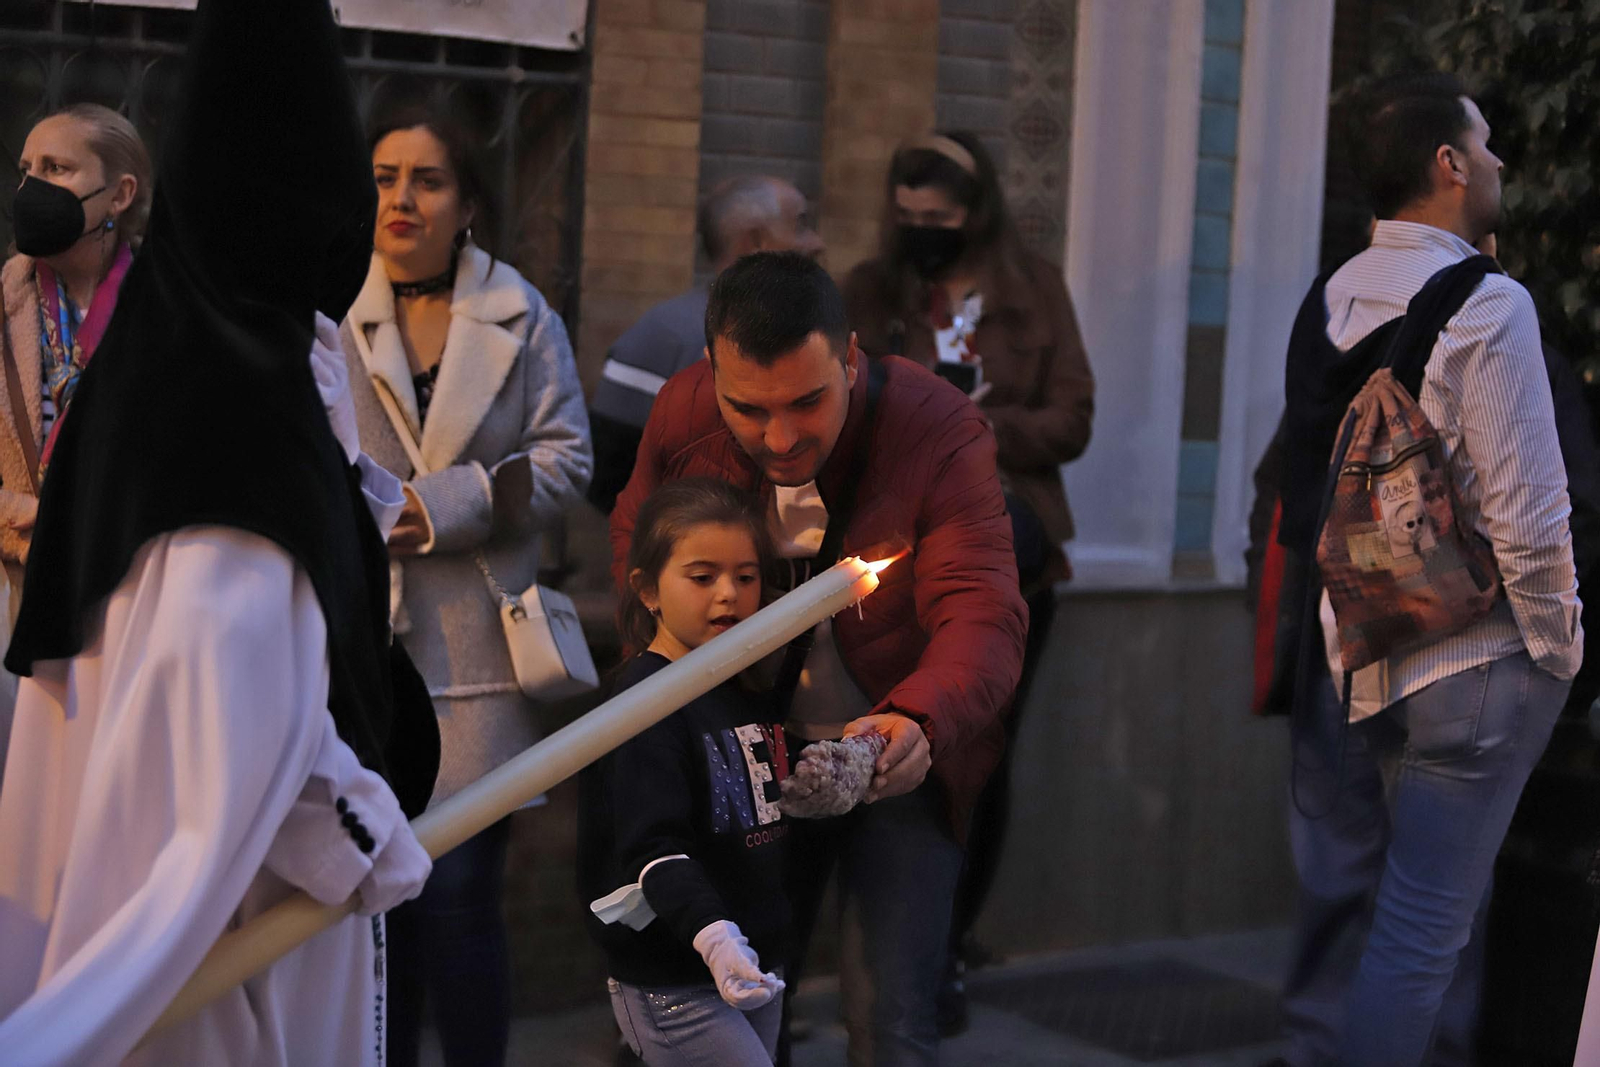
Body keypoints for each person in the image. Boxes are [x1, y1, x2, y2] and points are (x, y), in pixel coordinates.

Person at [0, 0, 438, 1062]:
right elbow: (232, 727)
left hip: (135, 895)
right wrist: (373, 840)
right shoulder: (238, 406)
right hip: (206, 941)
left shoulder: (169, 358)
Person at [610, 250, 1028, 1066]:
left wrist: (916, 722)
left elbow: (983, 611)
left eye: (808, 401)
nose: (780, 436)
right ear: (711, 373)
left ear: (850, 355)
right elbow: (641, 568)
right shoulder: (682, 413)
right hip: (742, 754)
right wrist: (680, 724)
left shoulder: (936, 426)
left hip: (896, 748)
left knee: (894, 1016)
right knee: (740, 1007)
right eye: (748, 409)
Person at [1268, 72, 1581, 1067]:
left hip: (1365, 649)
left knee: (1388, 917)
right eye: (1484, 145)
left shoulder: (1332, 296)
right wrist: (1560, 648)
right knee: (1423, 936)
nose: (1496, 162)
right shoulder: (1488, 304)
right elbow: (1530, 515)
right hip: (1479, 658)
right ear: (1447, 164)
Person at [339, 107, 592, 1067]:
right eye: (383, 176)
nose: (400, 199)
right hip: (361, 650)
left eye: (427, 180)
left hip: (478, 649)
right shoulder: (329, 309)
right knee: (377, 908)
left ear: (468, 202)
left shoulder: (521, 315)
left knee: (457, 897)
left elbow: (569, 461)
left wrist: (450, 503)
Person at [840, 130, 1094, 1030]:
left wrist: (980, 429)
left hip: (1012, 541)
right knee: (903, 754)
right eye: (908, 220)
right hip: (898, 555)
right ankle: (894, 962)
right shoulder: (872, 291)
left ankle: (942, 948)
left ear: (974, 213)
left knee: (980, 755)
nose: (922, 234)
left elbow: (1073, 415)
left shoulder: (1030, 292)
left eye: (939, 221)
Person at [581, 477, 791, 1066]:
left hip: (754, 958)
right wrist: (714, 937)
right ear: (649, 590)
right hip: (677, 974)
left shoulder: (740, 678)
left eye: (745, 577)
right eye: (703, 577)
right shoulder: (646, 700)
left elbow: (748, 798)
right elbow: (651, 842)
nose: (728, 594)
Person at [0, 103, 151, 774]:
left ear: (119, 194)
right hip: (10, 602)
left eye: (56, 169)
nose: (32, 187)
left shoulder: (172, 313)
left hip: (126, 606)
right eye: (26, 168)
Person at [587, 175, 824, 513]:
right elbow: (612, 481)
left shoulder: (814, 336)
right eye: (801, 225)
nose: (816, 242)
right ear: (755, 240)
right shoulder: (665, 338)